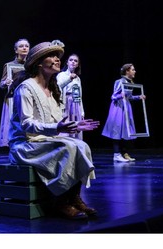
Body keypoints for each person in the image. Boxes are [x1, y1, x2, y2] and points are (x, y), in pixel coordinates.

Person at [8, 41, 100, 219]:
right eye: (52, 56)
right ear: (39, 63)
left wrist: (74, 125)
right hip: (25, 144)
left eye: (58, 57)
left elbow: (56, 121)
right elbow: (27, 124)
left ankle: (74, 197)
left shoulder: (52, 88)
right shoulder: (26, 88)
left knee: (81, 145)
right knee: (69, 148)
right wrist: (56, 128)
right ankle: (61, 201)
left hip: (44, 140)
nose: (58, 60)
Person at [102, 63, 146, 162]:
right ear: (127, 71)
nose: (135, 71)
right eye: (133, 70)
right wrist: (119, 96)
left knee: (127, 131)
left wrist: (139, 97)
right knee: (117, 130)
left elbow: (128, 97)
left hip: (126, 108)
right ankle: (116, 154)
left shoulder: (130, 82)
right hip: (118, 108)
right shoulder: (119, 82)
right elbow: (113, 96)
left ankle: (125, 153)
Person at [0, 38, 30, 147]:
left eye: (26, 46)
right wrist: (5, 82)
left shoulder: (32, 66)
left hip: (27, 98)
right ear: (16, 50)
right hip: (13, 98)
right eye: (21, 46)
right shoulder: (9, 65)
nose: (24, 48)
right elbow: (1, 84)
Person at [57, 53, 85, 140]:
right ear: (67, 62)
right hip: (66, 103)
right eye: (71, 60)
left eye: (75, 61)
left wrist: (82, 111)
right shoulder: (61, 75)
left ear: (77, 65)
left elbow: (80, 96)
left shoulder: (78, 78)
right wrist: (69, 78)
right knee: (66, 126)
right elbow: (58, 87)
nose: (73, 62)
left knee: (76, 128)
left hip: (76, 104)